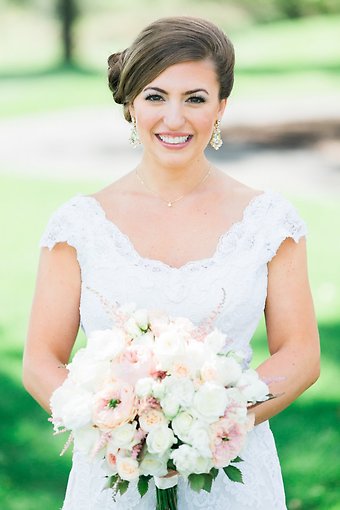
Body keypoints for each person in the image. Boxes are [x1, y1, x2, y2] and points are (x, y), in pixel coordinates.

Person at [23, 16, 320, 510]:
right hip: (112, 475)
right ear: (131, 106)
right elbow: (39, 361)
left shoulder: (269, 221)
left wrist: (213, 425)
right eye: (156, 96)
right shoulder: (79, 224)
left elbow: (302, 353)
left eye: (195, 98)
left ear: (222, 107)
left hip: (233, 478)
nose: (175, 119)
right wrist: (118, 426)